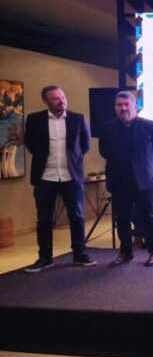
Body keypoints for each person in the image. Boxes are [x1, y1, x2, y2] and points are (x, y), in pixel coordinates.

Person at [24, 85, 96, 273]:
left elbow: (85, 146)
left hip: (71, 177)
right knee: (44, 219)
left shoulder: (78, 119)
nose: (61, 101)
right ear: (46, 101)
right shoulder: (34, 120)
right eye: (56, 98)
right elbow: (30, 145)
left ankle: (79, 253)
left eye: (63, 97)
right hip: (45, 177)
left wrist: (72, 162)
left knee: (77, 216)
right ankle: (45, 258)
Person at [99, 91, 153, 267]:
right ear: (115, 107)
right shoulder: (107, 127)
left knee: (149, 217)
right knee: (122, 219)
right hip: (119, 181)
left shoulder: (150, 126)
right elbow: (103, 151)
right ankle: (125, 252)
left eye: (127, 104)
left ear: (135, 106)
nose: (123, 108)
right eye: (119, 105)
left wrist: (143, 165)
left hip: (144, 180)